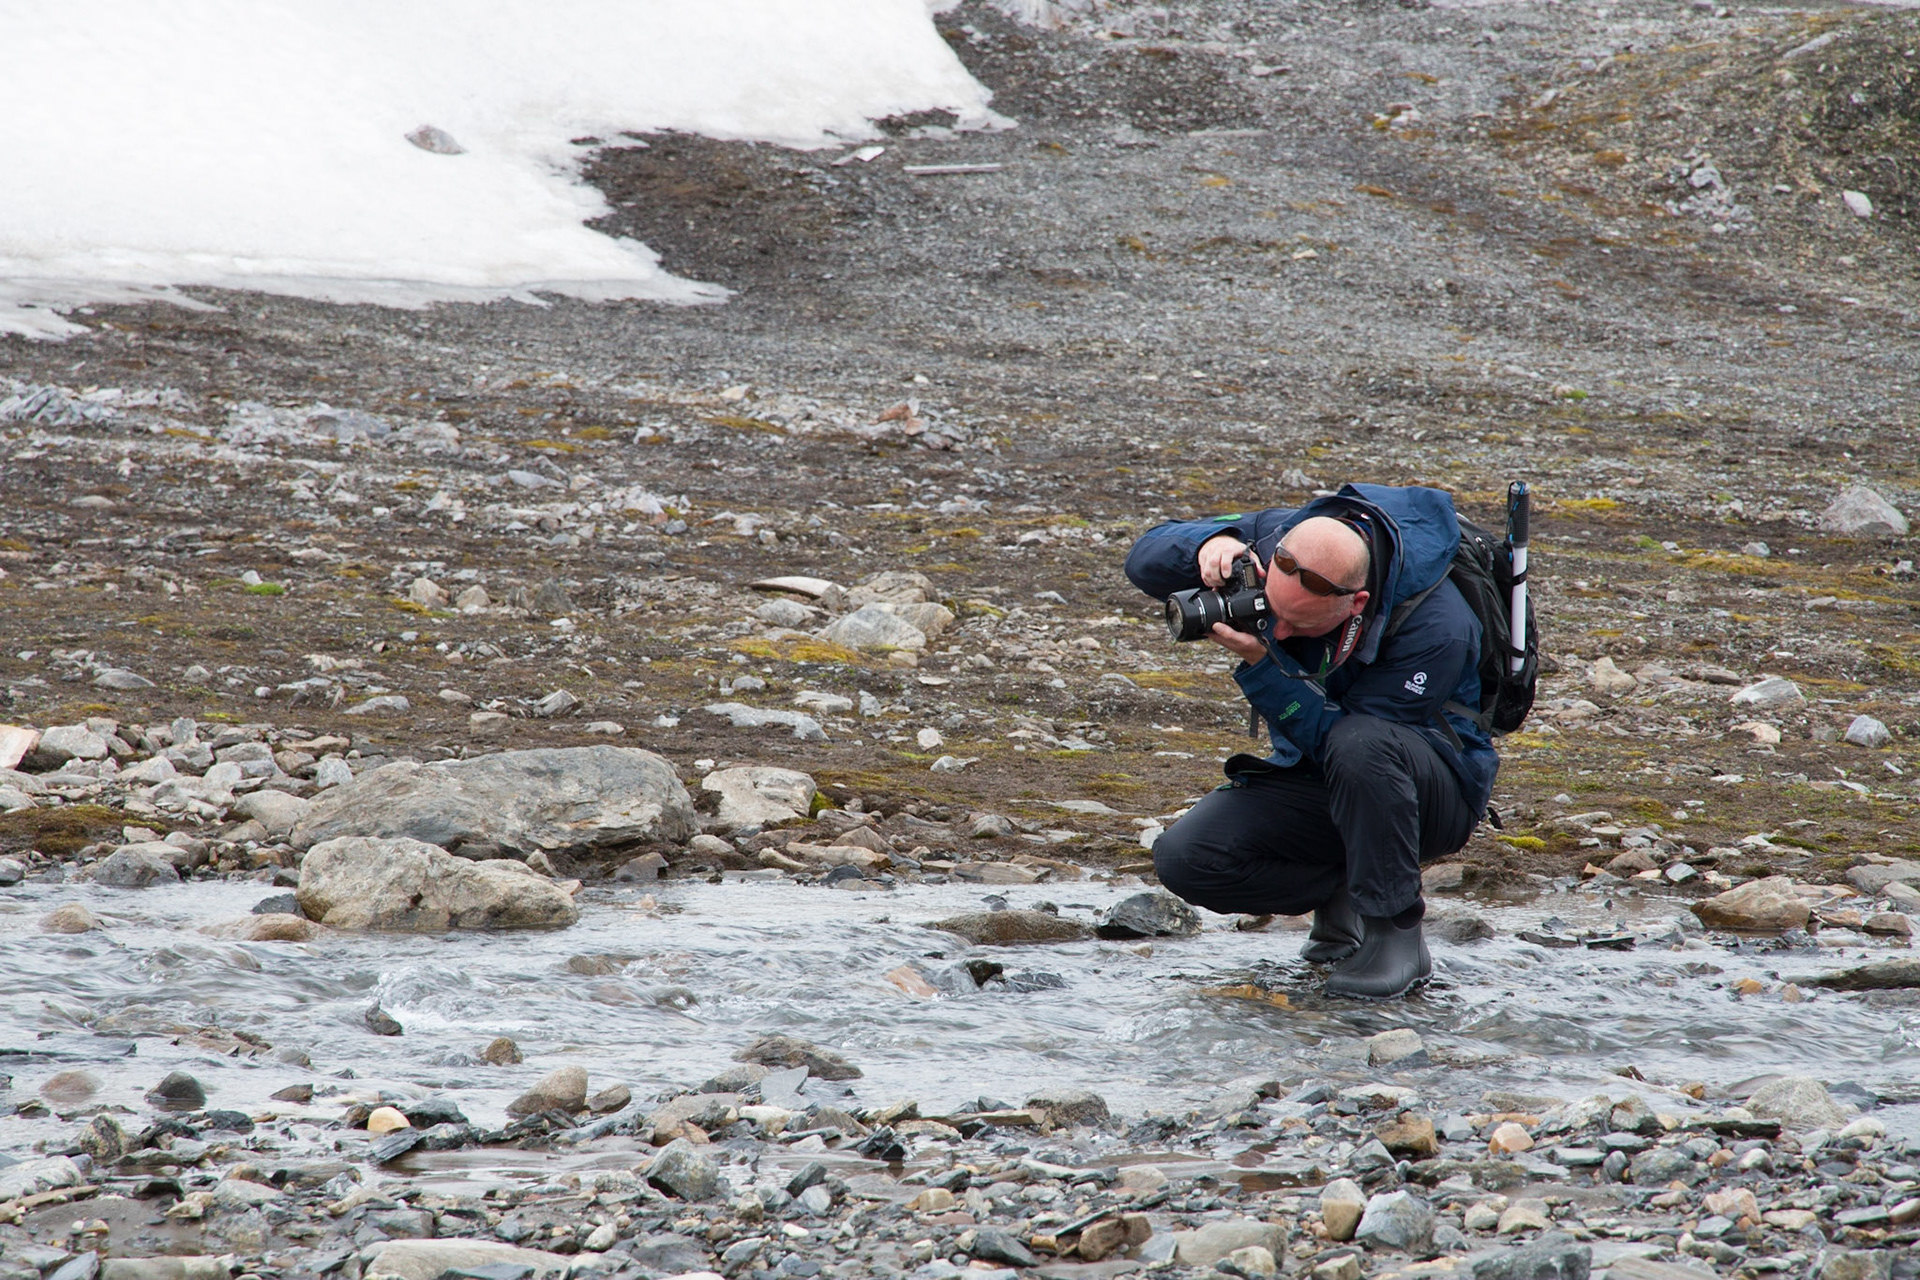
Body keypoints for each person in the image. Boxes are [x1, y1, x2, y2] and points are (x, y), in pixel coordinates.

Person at [1123, 483, 1498, 998]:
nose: (1276, 632)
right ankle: (1344, 890)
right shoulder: (1280, 537)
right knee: (1188, 858)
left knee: (1362, 743)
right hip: (1325, 774)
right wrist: (1215, 542)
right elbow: (1144, 558)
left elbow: (1342, 739)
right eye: (1272, 611)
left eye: (1295, 623)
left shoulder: (1437, 627)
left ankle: (1395, 935)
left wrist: (1262, 666)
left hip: (1426, 793)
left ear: (1356, 602)